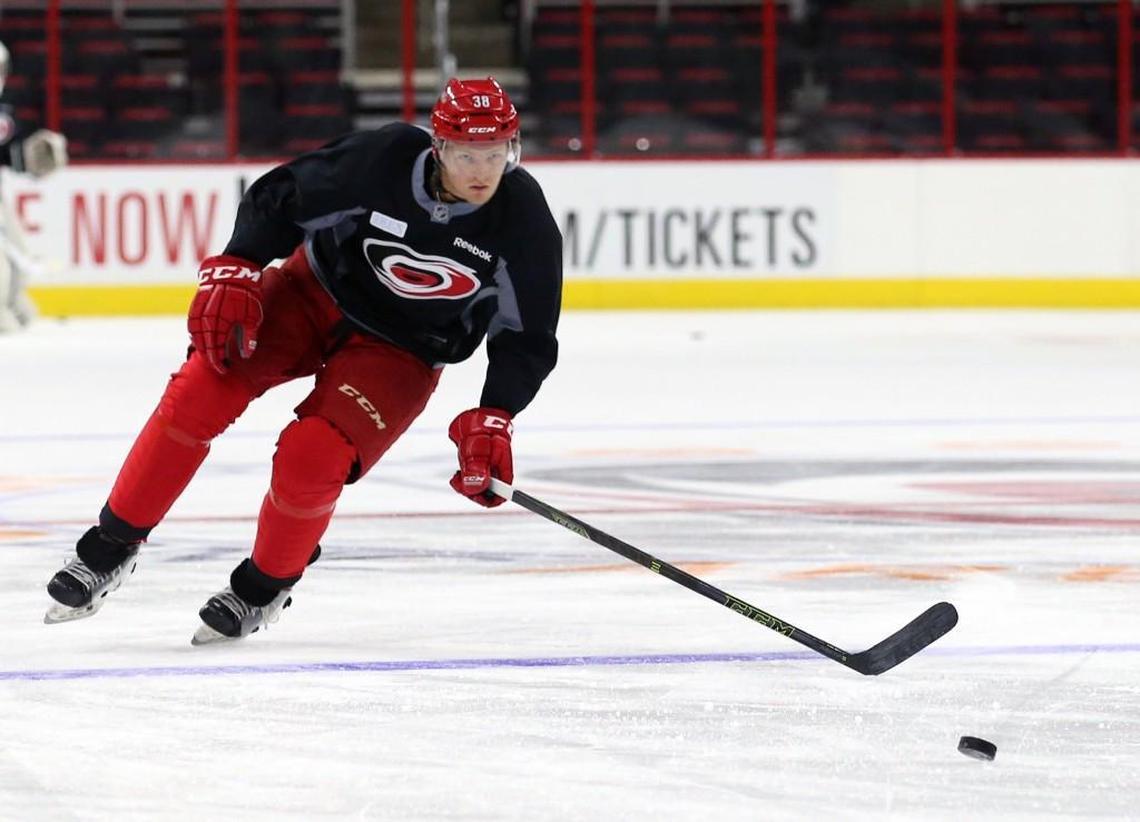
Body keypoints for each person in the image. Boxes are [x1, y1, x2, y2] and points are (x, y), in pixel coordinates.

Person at [43, 77, 562, 644]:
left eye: (497, 154)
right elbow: (280, 196)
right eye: (468, 154)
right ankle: (108, 549)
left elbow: (528, 336)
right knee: (200, 389)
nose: (483, 172)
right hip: (308, 295)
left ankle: (261, 589)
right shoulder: (382, 159)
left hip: (403, 351)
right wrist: (239, 263)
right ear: (437, 146)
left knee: (313, 457)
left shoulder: (524, 220)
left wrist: (497, 412)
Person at [0, 39, 69, 332]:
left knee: (16, 248)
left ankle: (13, 304)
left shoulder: (5, 113)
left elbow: (6, 152)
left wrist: (31, 158)